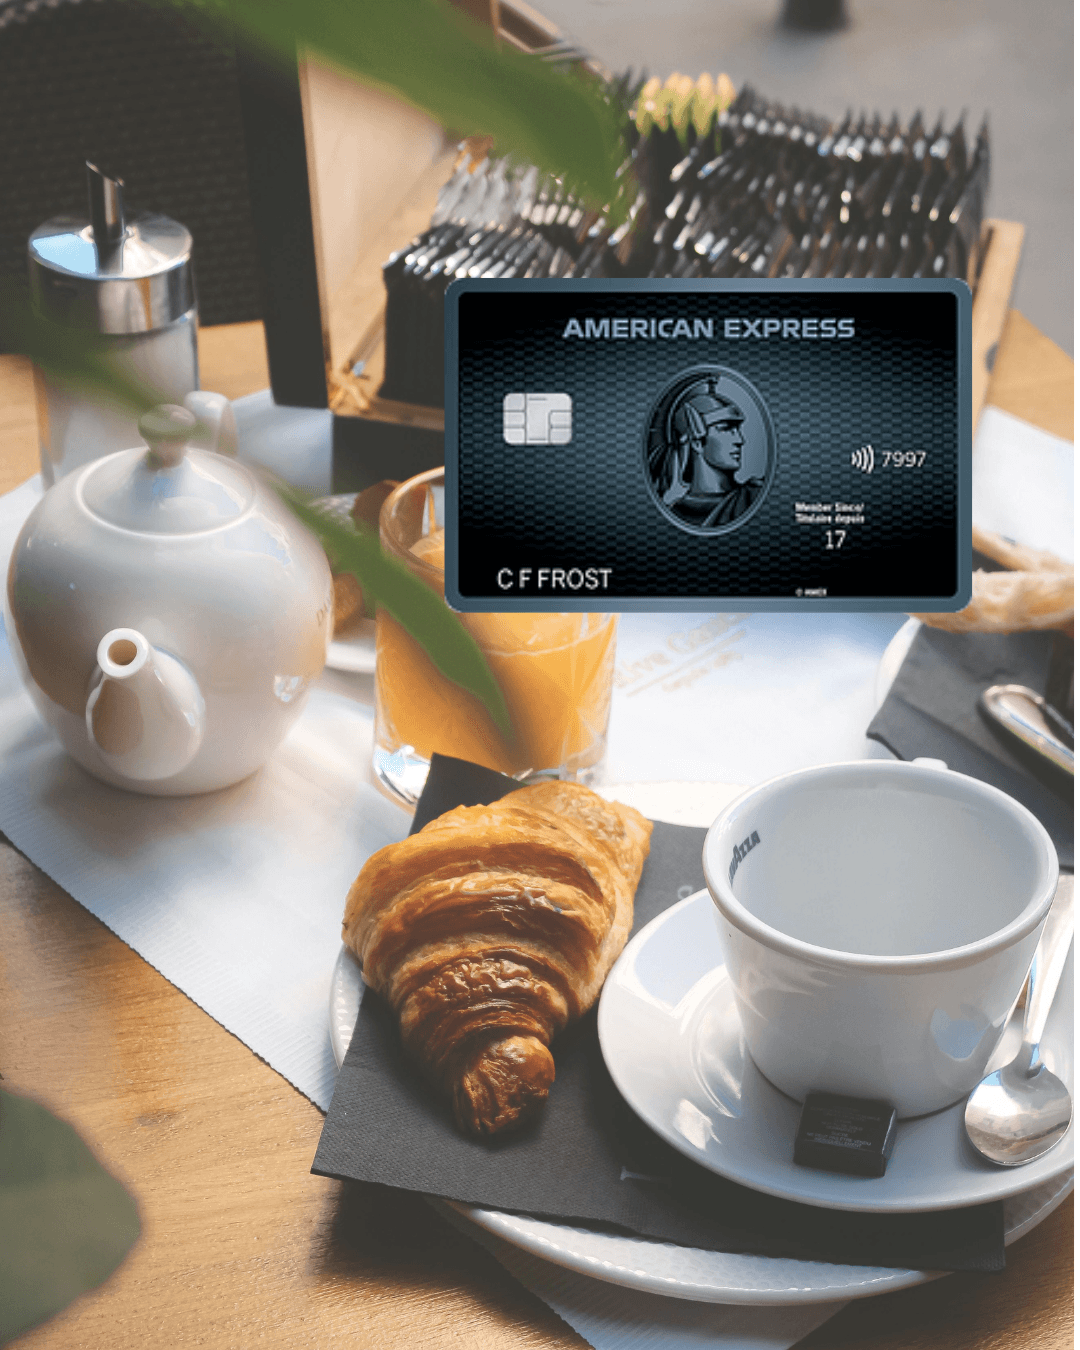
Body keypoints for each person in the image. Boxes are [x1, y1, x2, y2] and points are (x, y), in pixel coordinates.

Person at [659, 385, 763, 528]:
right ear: (697, 443)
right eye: (726, 429)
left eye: (737, 429)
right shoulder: (673, 510)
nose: (740, 440)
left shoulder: (752, 497)